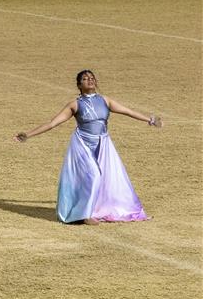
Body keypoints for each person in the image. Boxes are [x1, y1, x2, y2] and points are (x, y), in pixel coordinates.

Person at [14, 69, 160, 224]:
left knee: (109, 177)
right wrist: (28, 135)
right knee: (94, 175)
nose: (90, 80)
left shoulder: (105, 100)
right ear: (79, 85)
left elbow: (127, 111)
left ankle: (96, 208)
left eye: (92, 78)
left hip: (103, 144)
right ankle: (84, 215)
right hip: (82, 145)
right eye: (85, 78)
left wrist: (149, 120)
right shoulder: (75, 104)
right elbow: (52, 123)